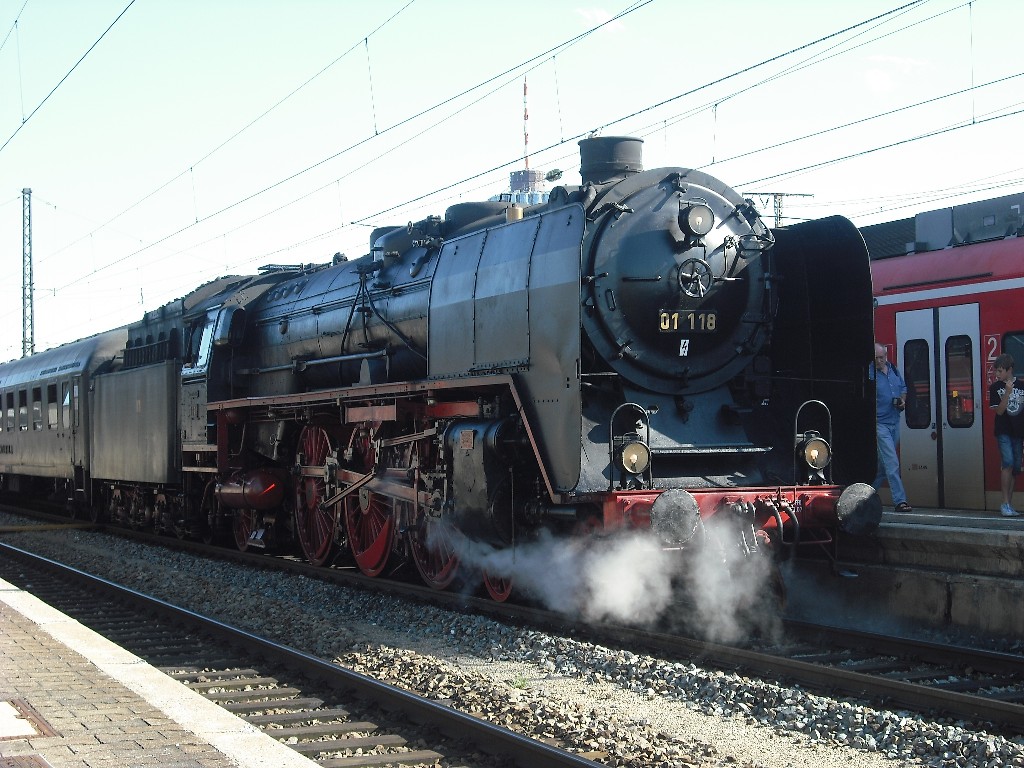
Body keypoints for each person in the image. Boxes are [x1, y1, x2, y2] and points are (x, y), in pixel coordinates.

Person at [870, 343, 912, 513]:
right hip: (880, 424)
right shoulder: (870, 373)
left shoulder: (893, 369)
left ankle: (864, 496)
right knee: (892, 462)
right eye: (877, 358)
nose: (880, 361)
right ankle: (900, 501)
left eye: (882, 357)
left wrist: (902, 400)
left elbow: (903, 388)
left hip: (895, 421)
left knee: (882, 466)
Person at [989, 353, 1024, 517]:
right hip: (1003, 430)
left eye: (1000, 371)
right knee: (1008, 462)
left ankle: (1009, 503)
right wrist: (1007, 393)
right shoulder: (995, 387)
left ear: (1009, 370)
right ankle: (1004, 503)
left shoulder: (1022, 387)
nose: (997, 374)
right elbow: (1000, 410)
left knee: (1016, 466)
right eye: (997, 371)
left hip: (1018, 431)